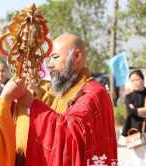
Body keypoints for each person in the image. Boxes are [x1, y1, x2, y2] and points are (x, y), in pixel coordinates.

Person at [17, 33, 118, 165]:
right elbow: (56, 113)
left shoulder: (93, 94)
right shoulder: (69, 90)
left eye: (55, 57)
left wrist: (33, 105)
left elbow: (70, 138)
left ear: (76, 56)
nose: (50, 65)